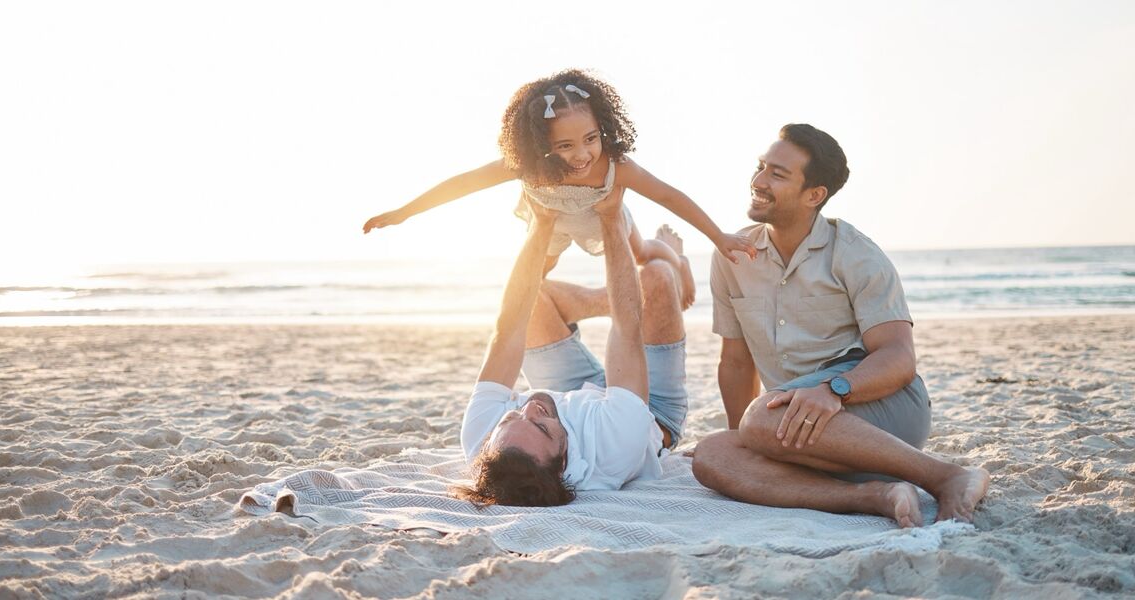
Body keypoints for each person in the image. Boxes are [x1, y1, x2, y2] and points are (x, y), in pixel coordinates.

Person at [692, 124, 989, 527]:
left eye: (777, 174)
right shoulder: (732, 255)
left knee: (760, 418)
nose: (759, 181)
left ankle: (947, 476)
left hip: (879, 408)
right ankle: (876, 496)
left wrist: (835, 390)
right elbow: (736, 362)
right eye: (761, 167)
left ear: (814, 195)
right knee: (713, 455)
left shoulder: (855, 254)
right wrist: (745, 442)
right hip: (793, 425)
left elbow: (899, 357)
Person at [362, 68, 756, 308]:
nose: (582, 154)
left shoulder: (616, 167)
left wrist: (719, 236)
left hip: (603, 217)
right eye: (565, 146)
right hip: (550, 221)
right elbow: (464, 183)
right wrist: (403, 213)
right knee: (536, 274)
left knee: (643, 254)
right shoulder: (525, 167)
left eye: (590, 138)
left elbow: (669, 195)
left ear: (603, 126)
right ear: (540, 145)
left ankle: (677, 260)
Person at [451, 189, 692, 506]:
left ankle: (622, 290)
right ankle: (676, 264)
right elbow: (626, 328)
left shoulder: (481, 438)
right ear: (564, 462)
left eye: (510, 419)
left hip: (568, 392)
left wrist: (541, 222)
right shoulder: (616, 447)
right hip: (651, 409)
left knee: (531, 301)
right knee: (658, 277)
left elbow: (508, 330)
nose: (530, 406)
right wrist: (611, 217)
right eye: (541, 427)